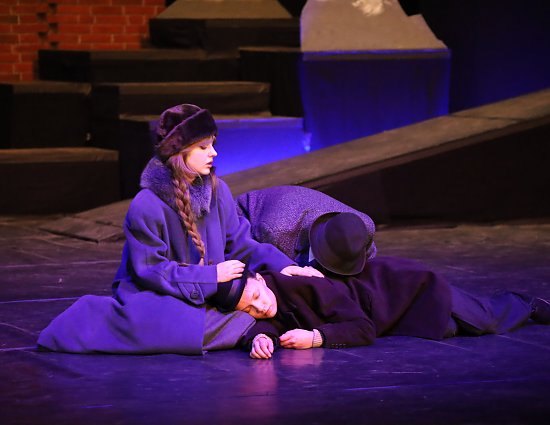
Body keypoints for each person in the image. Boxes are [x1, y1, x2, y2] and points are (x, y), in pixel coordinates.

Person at [37, 104, 321, 355]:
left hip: (214, 290)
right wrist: (210, 276)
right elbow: (150, 271)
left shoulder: (218, 191)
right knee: (172, 322)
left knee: (276, 296)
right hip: (161, 293)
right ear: (179, 152)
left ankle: (242, 329)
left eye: (212, 144)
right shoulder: (147, 205)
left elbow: (241, 244)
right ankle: (245, 330)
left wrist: (285, 266)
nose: (213, 153)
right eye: (203, 147)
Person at [211, 212, 550, 359]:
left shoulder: (302, 285)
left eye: (257, 296)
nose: (261, 306)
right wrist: (260, 339)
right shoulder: (266, 302)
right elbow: (268, 322)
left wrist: (316, 338)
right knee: (450, 328)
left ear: (260, 277)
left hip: (404, 286)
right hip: (392, 312)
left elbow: (363, 328)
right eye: (249, 308)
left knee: (482, 320)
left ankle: (528, 304)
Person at [236, 185, 377, 268]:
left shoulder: (364, 225)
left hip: (291, 207)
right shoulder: (277, 232)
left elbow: (369, 257)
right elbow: (271, 262)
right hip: (243, 221)